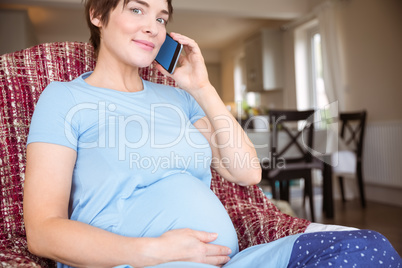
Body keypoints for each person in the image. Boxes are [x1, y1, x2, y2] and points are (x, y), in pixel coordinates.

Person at [23, 0, 401, 267]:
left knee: (368, 247)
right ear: (98, 14)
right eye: (137, 9)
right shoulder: (65, 98)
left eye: (162, 17)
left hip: (229, 261)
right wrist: (152, 251)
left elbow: (248, 172)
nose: (152, 27)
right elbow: (43, 231)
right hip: (135, 263)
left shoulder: (178, 99)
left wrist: (202, 88)